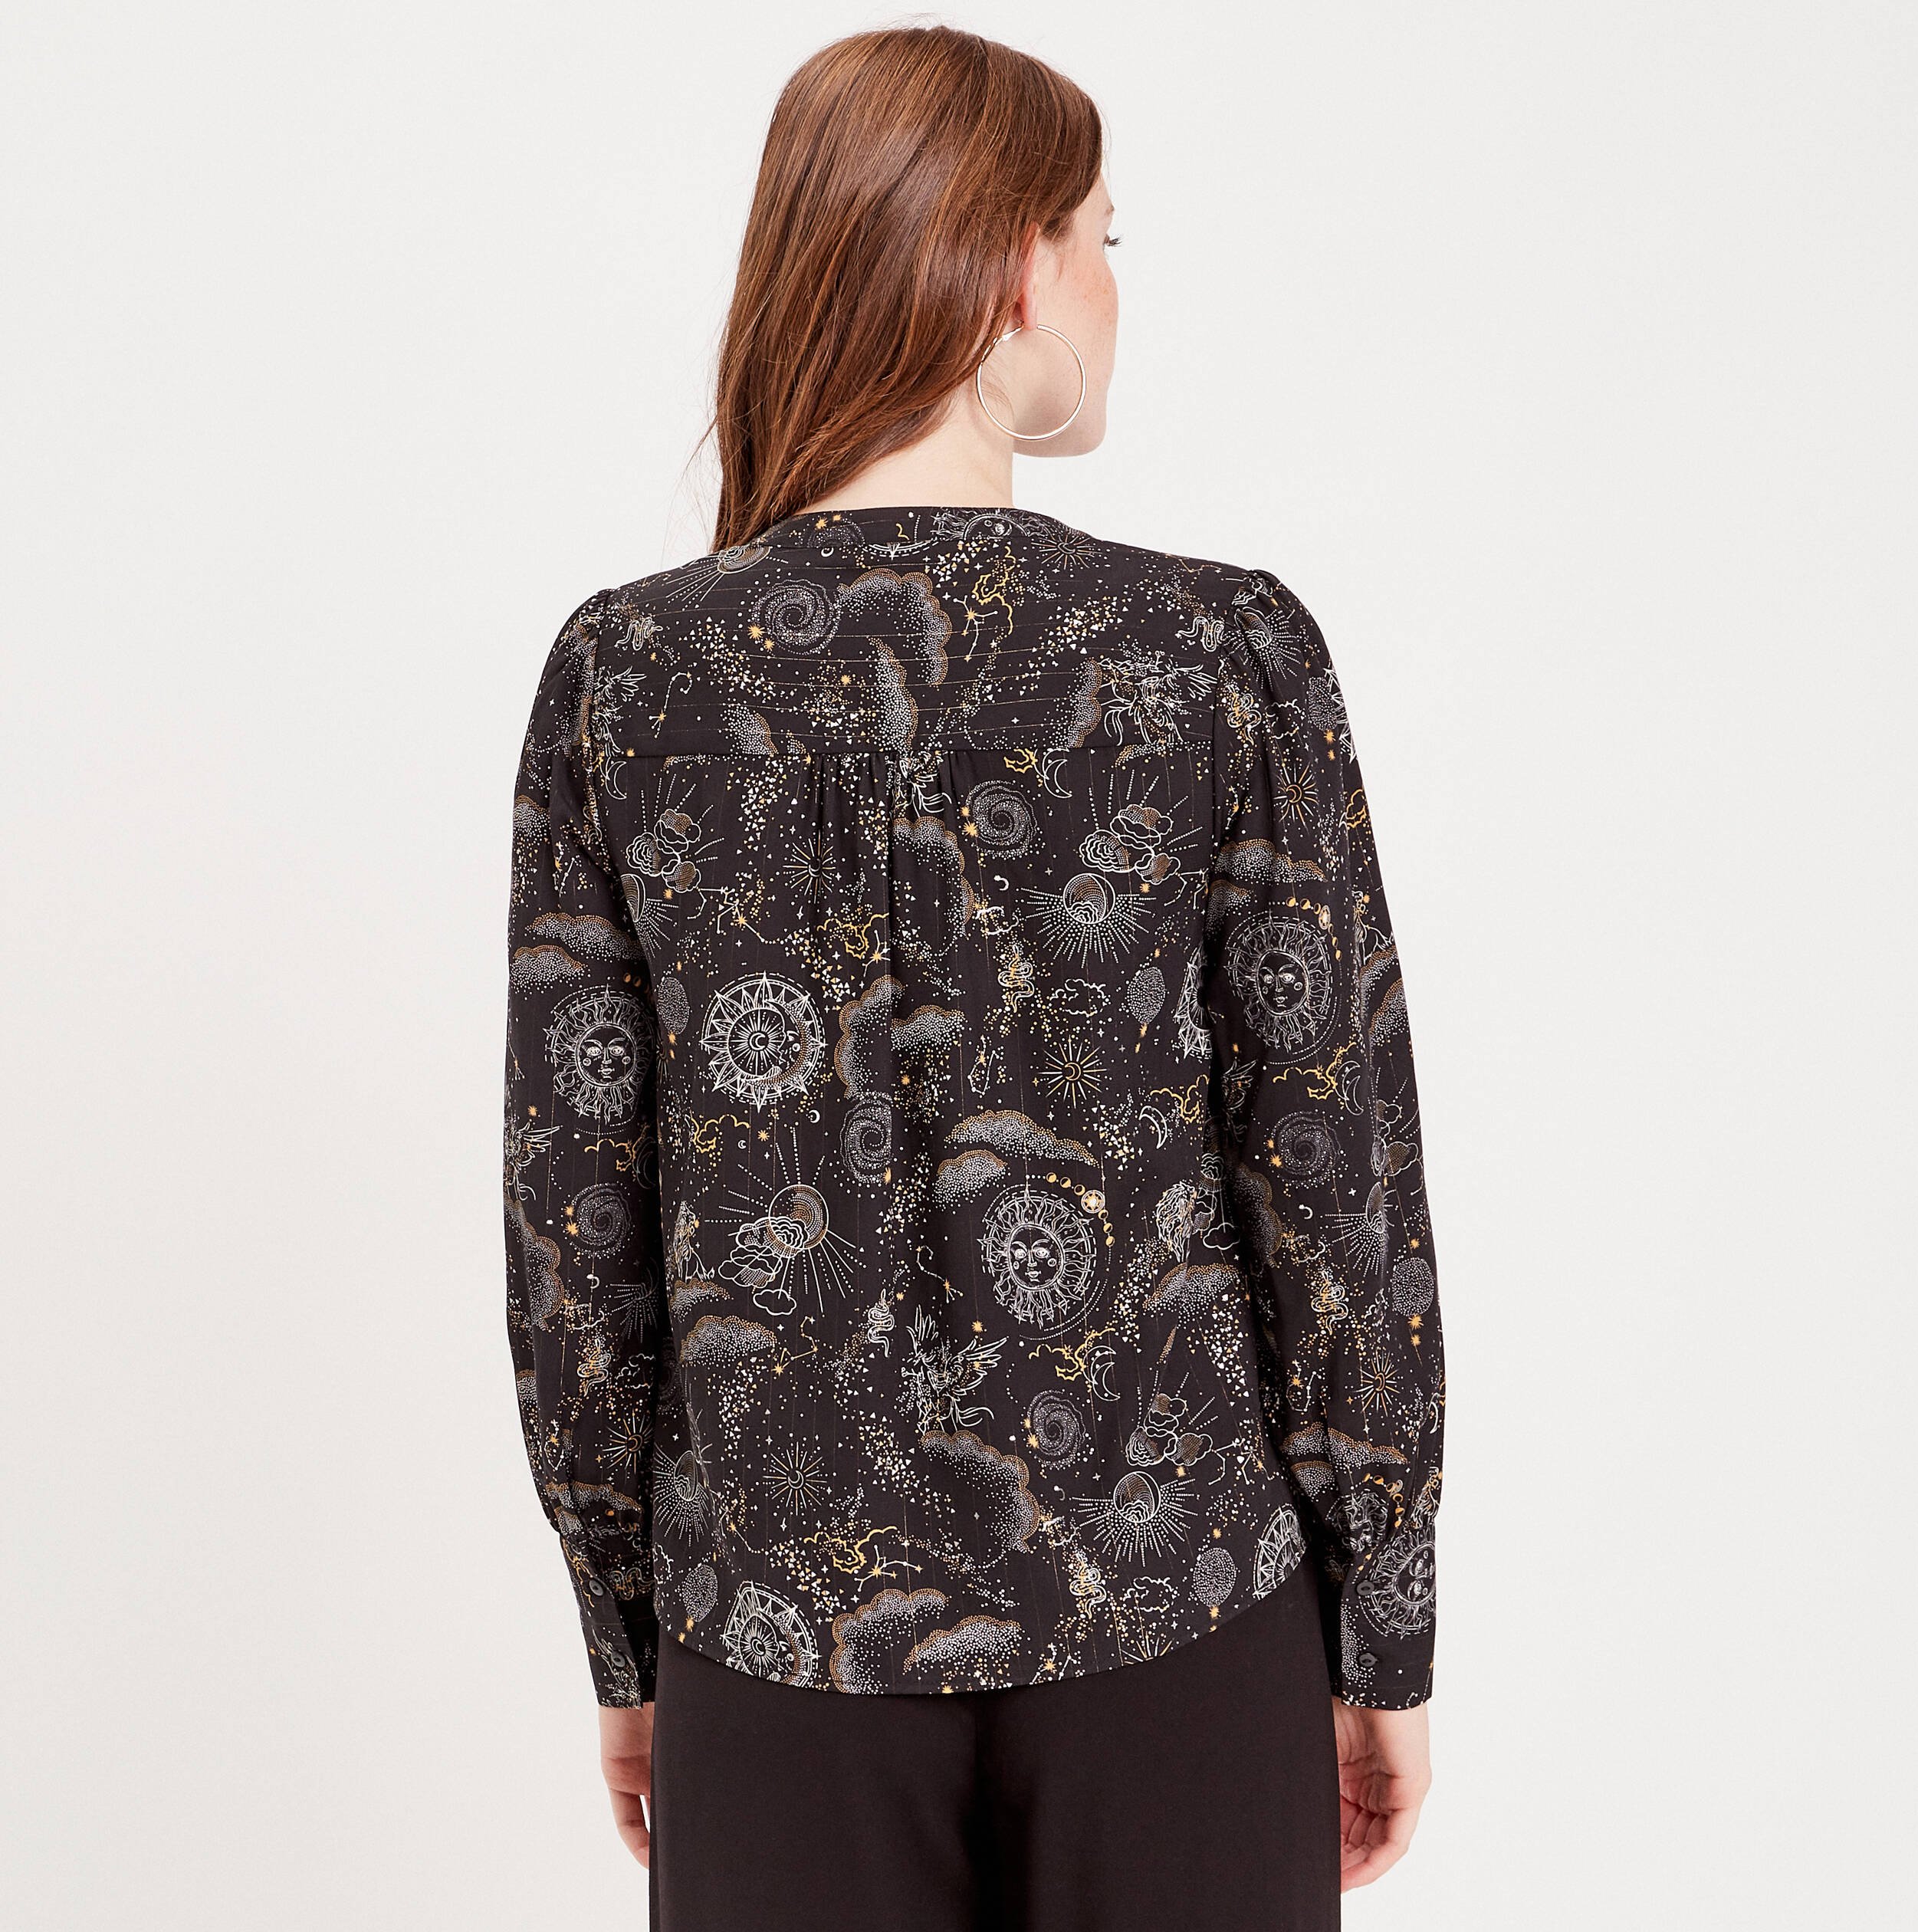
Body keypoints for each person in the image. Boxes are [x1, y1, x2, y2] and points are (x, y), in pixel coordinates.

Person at [503, 25, 1443, 1930]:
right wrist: (1387, 1617)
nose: (1111, 285)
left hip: (771, 1643)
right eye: (1105, 237)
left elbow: (575, 1229)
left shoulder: (629, 678)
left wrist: (629, 1631)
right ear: (1017, 262)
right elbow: (1336, 1182)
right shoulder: (1215, 651)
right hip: (1185, 1622)